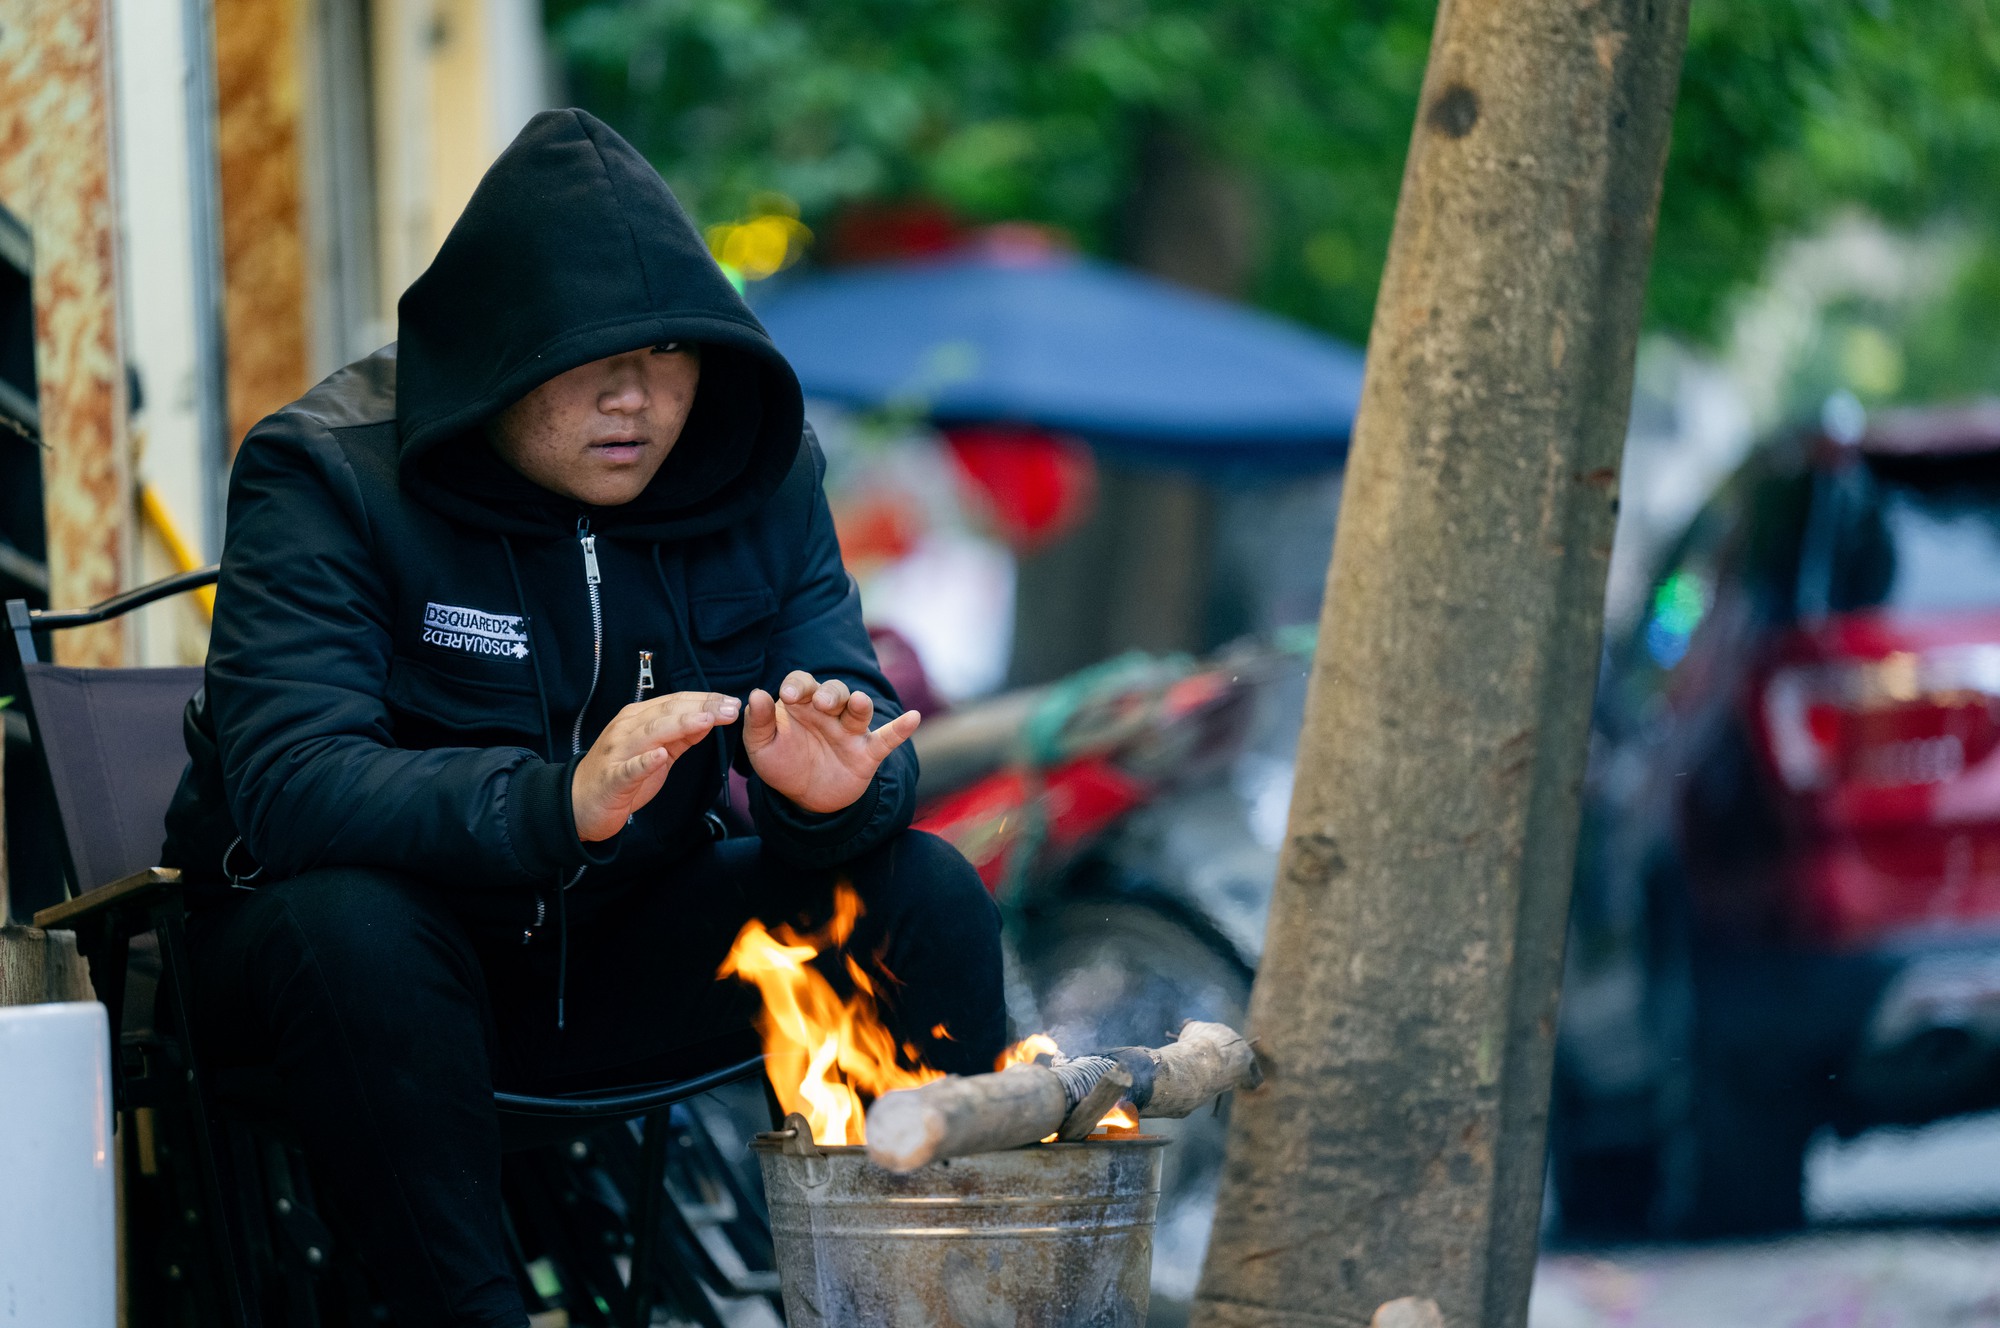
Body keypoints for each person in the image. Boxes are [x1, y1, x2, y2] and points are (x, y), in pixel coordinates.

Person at [161, 108, 1006, 1327]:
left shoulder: (757, 472)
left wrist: (830, 793)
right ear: (496, 349)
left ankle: (928, 1299)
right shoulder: (329, 470)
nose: (636, 399)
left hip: (619, 952)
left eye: (669, 353)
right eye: (589, 358)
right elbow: (294, 782)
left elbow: (854, 712)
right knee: (347, 925)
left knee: (918, 888)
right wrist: (554, 803)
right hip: (361, 976)